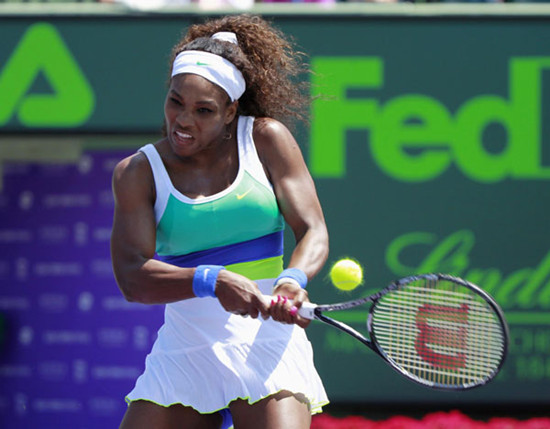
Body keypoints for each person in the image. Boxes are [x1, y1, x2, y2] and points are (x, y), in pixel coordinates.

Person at [110, 14, 330, 429]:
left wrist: (292, 280)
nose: (183, 120)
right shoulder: (137, 171)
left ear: (230, 111)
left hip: (268, 343)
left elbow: (313, 229)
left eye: (203, 110)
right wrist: (212, 280)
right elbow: (132, 277)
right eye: (175, 101)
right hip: (185, 347)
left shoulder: (267, 139)